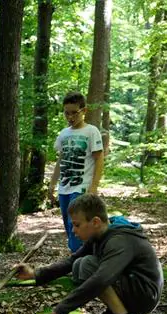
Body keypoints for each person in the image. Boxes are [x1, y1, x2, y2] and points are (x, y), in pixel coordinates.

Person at [16, 194, 163, 314]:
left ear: (95, 222)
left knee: (88, 265)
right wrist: (35, 274)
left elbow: (101, 279)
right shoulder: (100, 234)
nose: (73, 230)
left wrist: (63, 308)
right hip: (134, 288)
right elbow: (71, 261)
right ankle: (115, 313)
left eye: (77, 225)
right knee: (79, 264)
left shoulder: (119, 241)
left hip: (145, 296)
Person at [48, 91, 105, 253]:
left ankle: (77, 261)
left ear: (84, 111)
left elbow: (99, 159)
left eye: (74, 113)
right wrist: (52, 184)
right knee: (69, 227)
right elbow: (61, 160)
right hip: (64, 187)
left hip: (81, 187)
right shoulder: (63, 134)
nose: (70, 116)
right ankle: (80, 257)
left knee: (78, 224)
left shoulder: (91, 132)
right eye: (67, 113)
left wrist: (94, 186)